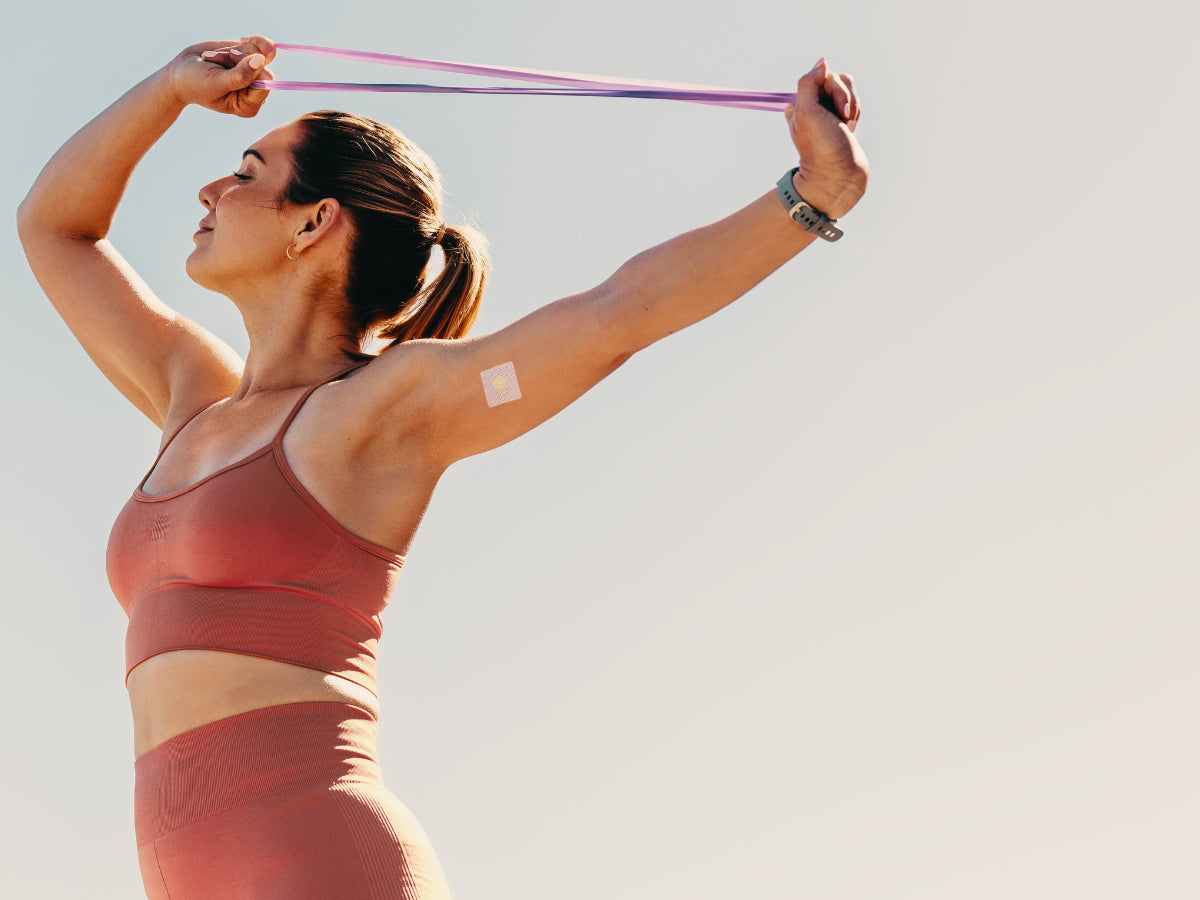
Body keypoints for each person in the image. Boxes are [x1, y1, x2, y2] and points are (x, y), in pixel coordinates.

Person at [17, 34, 867, 900]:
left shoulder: (385, 410)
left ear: (315, 221)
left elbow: (619, 313)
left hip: (317, 851)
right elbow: (52, 229)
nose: (209, 189)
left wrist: (814, 195)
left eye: (245, 171)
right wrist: (166, 89)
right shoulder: (190, 396)